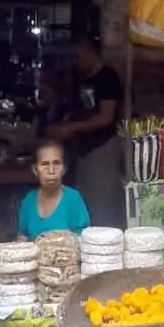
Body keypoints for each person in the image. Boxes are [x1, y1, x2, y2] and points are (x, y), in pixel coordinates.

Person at [48, 38, 123, 228]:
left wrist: (71, 128)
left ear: (92, 53)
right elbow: (79, 110)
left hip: (102, 148)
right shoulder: (81, 80)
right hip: (83, 150)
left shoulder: (107, 78)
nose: (75, 61)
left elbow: (106, 117)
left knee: (103, 204)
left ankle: (106, 245)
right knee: (86, 203)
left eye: (78, 56)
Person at [17, 140, 90, 241]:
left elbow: (84, 237)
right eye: (45, 164)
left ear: (64, 169)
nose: (51, 171)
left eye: (56, 163)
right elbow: (23, 236)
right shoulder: (29, 200)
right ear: (35, 170)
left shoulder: (73, 198)